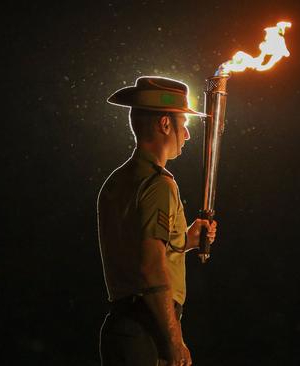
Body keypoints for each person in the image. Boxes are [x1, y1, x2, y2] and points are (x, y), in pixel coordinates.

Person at [97, 76, 218, 366]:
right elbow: (151, 267)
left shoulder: (118, 181)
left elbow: (136, 246)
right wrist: (174, 342)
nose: (187, 135)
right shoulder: (159, 184)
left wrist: (183, 241)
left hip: (124, 326)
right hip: (146, 331)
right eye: (184, 125)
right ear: (165, 124)